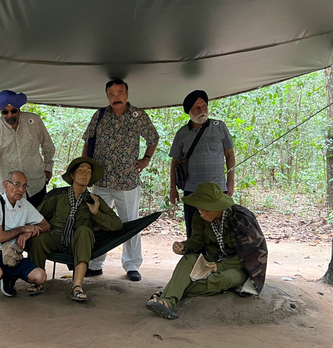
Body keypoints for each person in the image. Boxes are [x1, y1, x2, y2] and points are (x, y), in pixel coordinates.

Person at [146, 183, 268, 320]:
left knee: (223, 279)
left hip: (237, 266)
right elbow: (197, 242)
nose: (202, 214)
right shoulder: (199, 218)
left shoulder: (241, 219)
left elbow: (253, 254)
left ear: (218, 207)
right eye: (200, 209)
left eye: (207, 210)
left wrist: (221, 267)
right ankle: (167, 302)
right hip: (211, 259)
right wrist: (183, 246)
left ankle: (169, 293)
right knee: (188, 259)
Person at [81, 78, 159, 281]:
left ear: (127, 93)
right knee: (98, 221)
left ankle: (132, 265)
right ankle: (95, 263)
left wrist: (146, 159)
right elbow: (88, 143)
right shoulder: (99, 116)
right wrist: (85, 170)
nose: (116, 98)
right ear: (107, 96)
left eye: (120, 93)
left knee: (130, 223)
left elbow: (153, 138)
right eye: (112, 94)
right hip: (101, 181)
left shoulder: (138, 116)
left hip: (127, 181)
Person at [27, 157, 122, 302]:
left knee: (84, 231)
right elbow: (36, 217)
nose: (85, 174)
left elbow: (117, 224)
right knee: (38, 238)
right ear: (72, 175)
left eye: (88, 172)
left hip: (79, 243)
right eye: (80, 170)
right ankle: (38, 281)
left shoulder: (94, 199)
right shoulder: (57, 195)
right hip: (56, 238)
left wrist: (96, 212)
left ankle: (77, 286)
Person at [0, 89, 56, 209]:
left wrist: (49, 167)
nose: (10, 115)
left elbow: (47, 145)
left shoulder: (34, 121)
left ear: (19, 109)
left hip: (36, 184)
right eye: (5, 112)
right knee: (11, 225)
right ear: (1, 111)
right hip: (10, 190)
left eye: (13, 111)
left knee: (38, 223)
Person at [169, 89, 235, 238]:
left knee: (221, 230)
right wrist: (173, 188)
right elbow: (175, 162)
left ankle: (218, 261)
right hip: (192, 191)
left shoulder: (220, 126)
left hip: (218, 190)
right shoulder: (181, 133)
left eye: (204, 106)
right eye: (197, 108)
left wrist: (230, 184)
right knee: (194, 231)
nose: (202, 110)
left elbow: (230, 155)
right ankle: (195, 259)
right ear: (189, 112)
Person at [0, 170, 50, 301]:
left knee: (40, 277)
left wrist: (29, 233)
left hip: (13, 257)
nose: (20, 189)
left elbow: (45, 225)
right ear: (5, 184)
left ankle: (8, 277)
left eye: (24, 186)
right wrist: (23, 229)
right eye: (16, 184)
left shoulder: (24, 205)